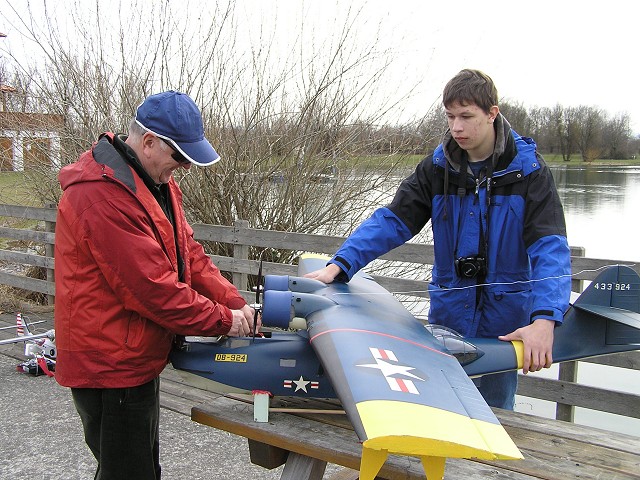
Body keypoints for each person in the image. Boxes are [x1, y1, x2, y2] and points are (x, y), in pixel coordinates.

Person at [305, 69, 571, 410]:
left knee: (496, 423)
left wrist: (545, 319)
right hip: (447, 322)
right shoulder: (437, 167)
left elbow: (550, 249)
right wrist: (341, 263)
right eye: (450, 117)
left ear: (493, 113)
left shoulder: (529, 172)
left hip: (503, 330)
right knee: (442, 412)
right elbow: (392, 220)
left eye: (466, 116)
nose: (456, 127)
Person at [54, 90, 259, 479]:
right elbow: (153, 290)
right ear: (148, 142)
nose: (180, 167)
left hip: (136, 357)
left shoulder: (153, 182)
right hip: (109, 365)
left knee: (143, 468)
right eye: (178, 157)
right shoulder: (100, 197)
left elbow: (189, 254)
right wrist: (225, 321)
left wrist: (235, 301)